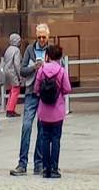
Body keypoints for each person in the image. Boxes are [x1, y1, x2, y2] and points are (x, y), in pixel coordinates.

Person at [10, 21, 53, 176]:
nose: (41, 40)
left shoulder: (51, 50)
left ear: (48, 37)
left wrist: (46, 67)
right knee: (26, 126)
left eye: (44, 37)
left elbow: (58, 68)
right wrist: (34, 67)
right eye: (39, 37)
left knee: (42, 128)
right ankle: (22, 163)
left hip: (45, 93)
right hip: (31, 92)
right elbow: (22, 70)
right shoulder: (30, 49)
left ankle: (38, 163)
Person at [31, 43, 70, 181]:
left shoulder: (41, 70)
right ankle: (54, 168)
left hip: (44, 110)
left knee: (45, 138)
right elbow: (67, 89)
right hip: (57, 110)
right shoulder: (61, 71)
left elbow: (36, 88)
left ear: (48, 56)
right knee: (56, 139)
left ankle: (45, 168)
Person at [0, 36, 22, 119]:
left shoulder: (8, 49)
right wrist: (20, 76)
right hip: (13, 72)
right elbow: (17, 64)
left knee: (12, 90)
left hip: (7, 71)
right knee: (16, 90)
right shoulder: (16, 50)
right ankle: (10, 110)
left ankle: (9, 108)